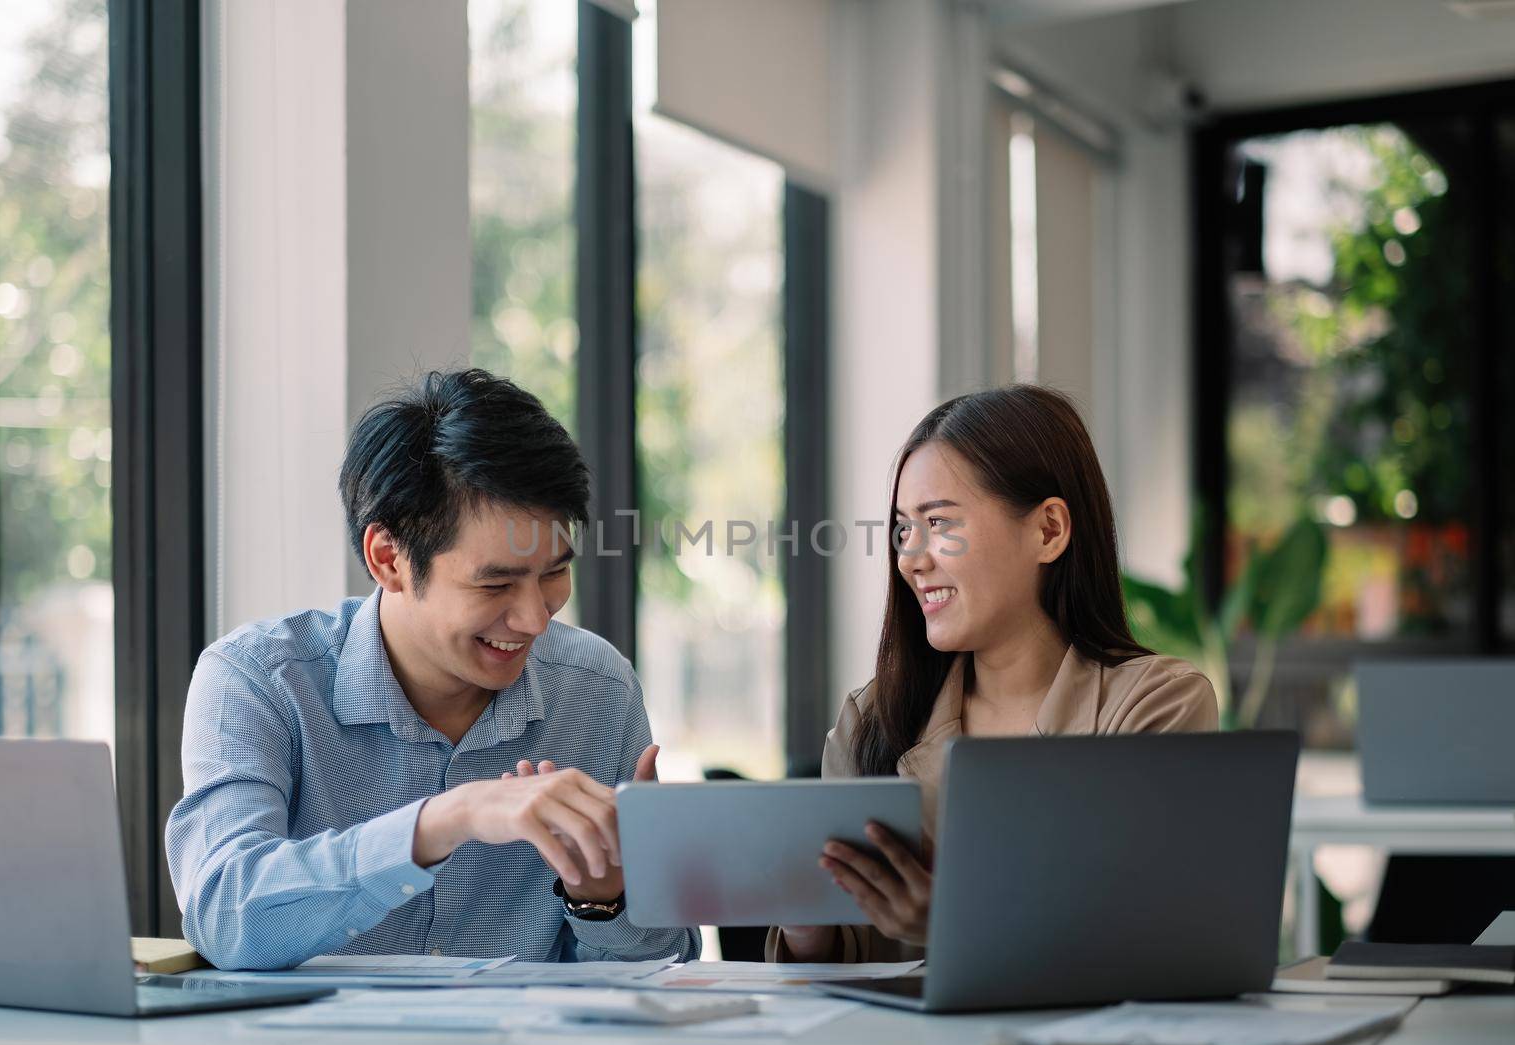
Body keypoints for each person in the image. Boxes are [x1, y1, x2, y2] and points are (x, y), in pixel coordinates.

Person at [166, 369, 699, 969]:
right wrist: (447, 820)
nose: (533, 619)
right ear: (388, 559)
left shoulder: (595, 687)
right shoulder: (260, 678)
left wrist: (607, 899)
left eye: (553, 572)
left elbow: (664, 971)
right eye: (496, 581)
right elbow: (226, 914)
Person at [770, 385, 1218, 964]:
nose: (910, 558)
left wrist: (955, 920)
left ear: (1049, 530)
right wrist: (807, 924)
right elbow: (838, 972)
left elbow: (1151, 939)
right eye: (904, 529)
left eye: (940, 524)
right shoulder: (873, 719)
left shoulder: (1157, 706)